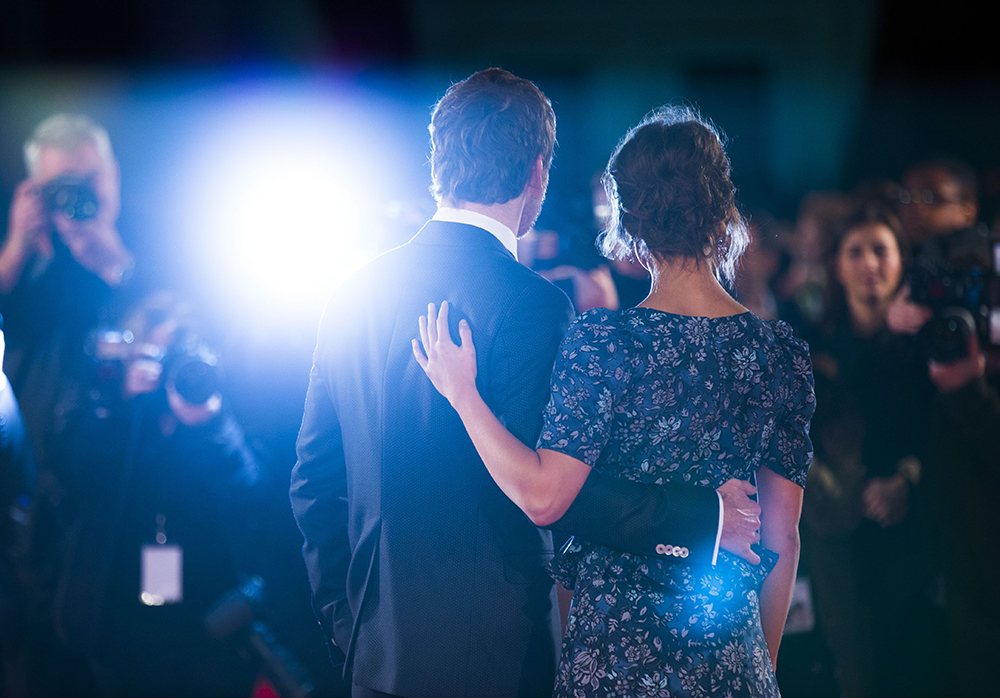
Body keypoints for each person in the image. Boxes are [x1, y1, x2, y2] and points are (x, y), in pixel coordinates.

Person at [290, 69, 763, 698]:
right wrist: (705, 516)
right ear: (537, 172)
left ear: (438, 163)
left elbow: (313, 487)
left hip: (378, 664)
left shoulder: (350, 295)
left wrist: (351, 634)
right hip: (497, 659)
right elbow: (555, 486)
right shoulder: (532, 303)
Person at [414, 105, 815, 697]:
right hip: (732, 658)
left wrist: (464, 395)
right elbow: (781, 534)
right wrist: (762, 669)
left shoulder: (604, 341)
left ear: (628, 222)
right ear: (723, 210)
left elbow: (545, 493)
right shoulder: (778, 352)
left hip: (611, 660)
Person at [801, 204, 941, 697]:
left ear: (901, 259)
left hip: (917, 541)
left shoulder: (931, 342)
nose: (869, 264)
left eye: (881, 250)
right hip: (843, 540)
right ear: (836, 266)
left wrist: (909, 480)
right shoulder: (816, 346)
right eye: (854, 252)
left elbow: (944, 435)